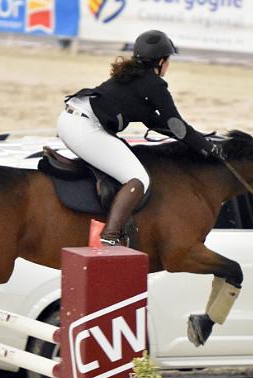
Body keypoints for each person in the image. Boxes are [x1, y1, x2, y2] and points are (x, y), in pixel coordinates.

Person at [57, 30, 222, 246]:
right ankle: (110, 235)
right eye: (169, 60)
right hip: (84, 128)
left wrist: (200, 139)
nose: (168, 65)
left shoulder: (132, 76)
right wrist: (208, 148)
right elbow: (176, 125)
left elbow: (155, 121)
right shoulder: (154, 83)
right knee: (138, 178)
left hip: (71, 119)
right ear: (161, 61)